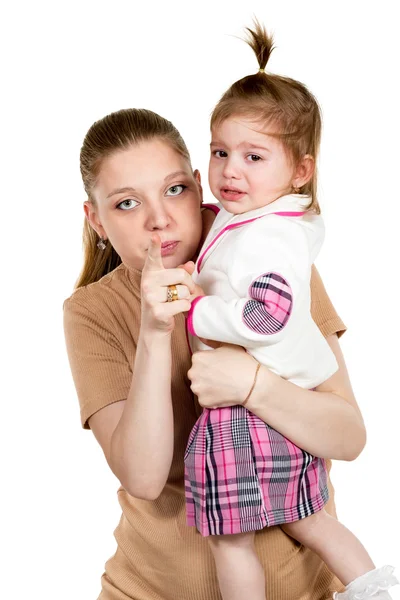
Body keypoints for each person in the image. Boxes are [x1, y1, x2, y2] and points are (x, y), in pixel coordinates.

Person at [64, 105, 364, 600]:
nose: (159, 220)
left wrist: (252, 386)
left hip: (305, 589)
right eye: (126, 204)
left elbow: (349, 438)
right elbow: (142, 475)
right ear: (95, 219)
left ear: (200, 186)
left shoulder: (269, 263)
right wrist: (155, 332)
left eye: (175, 189)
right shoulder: (93, 311)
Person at [182, 20, 398, 600]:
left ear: (300, 170)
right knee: (309, 516)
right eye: (221, 151)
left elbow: (267, 315)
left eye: (254, 156)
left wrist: (197, 314)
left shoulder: (267, 240)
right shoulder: (260, 220)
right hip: (284, 404)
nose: (230, 170)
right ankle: (375, 589)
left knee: (232, 540)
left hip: (250, 410)